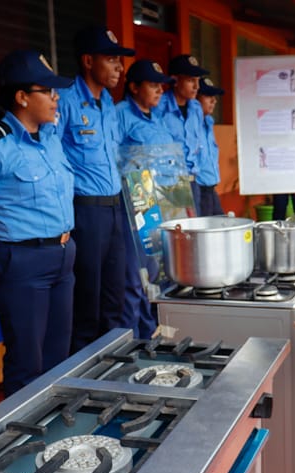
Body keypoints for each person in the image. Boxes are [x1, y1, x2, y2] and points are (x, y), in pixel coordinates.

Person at [0, 50, 76, 396]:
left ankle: (55, 425)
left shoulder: (50, 139)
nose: (56, 98)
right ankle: (23, 429)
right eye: (47, 91)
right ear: (22, 97)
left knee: (58, 357)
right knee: (27, 362)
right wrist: (2, 240)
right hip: (22, 263)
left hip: (63, 255)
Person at [57, 26, 134, 353]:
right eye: (111, 59)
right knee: (87, 300)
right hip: (85, 211)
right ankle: (83, 369)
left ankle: (113, 364)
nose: (119, 67)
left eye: (120, 61)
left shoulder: (109, 105)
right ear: (88, 61)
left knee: (115, 295)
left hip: (115, 208)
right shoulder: (65, 101)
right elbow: (52, 156)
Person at [116, 59, 176, 339]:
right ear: (134, 87)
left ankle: (153, 332)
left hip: (159, 203)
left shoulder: (158, 117)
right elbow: (114, 160)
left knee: (155, 272)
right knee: (134, 277)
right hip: (133, 205)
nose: (160, 91)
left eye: (161, 86)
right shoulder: (119, 115)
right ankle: (135, 339)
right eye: (153, 85)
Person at [158, 54, 208, 215]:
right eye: (191, 80)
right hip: (169, 182)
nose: (197, 86)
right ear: (175, 80)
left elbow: (198, 144)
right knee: (174, 228)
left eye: (198, 80)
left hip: (193, 181)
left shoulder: (196, 108)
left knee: (194, 227)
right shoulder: (159, 106)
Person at [195, 77, 225, 216]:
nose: (214, 101)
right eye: (208, 96)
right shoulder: (191, 126)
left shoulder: (208, 122)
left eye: (214, 97)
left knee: (222, 223)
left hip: (211, 189)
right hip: (198, 189)